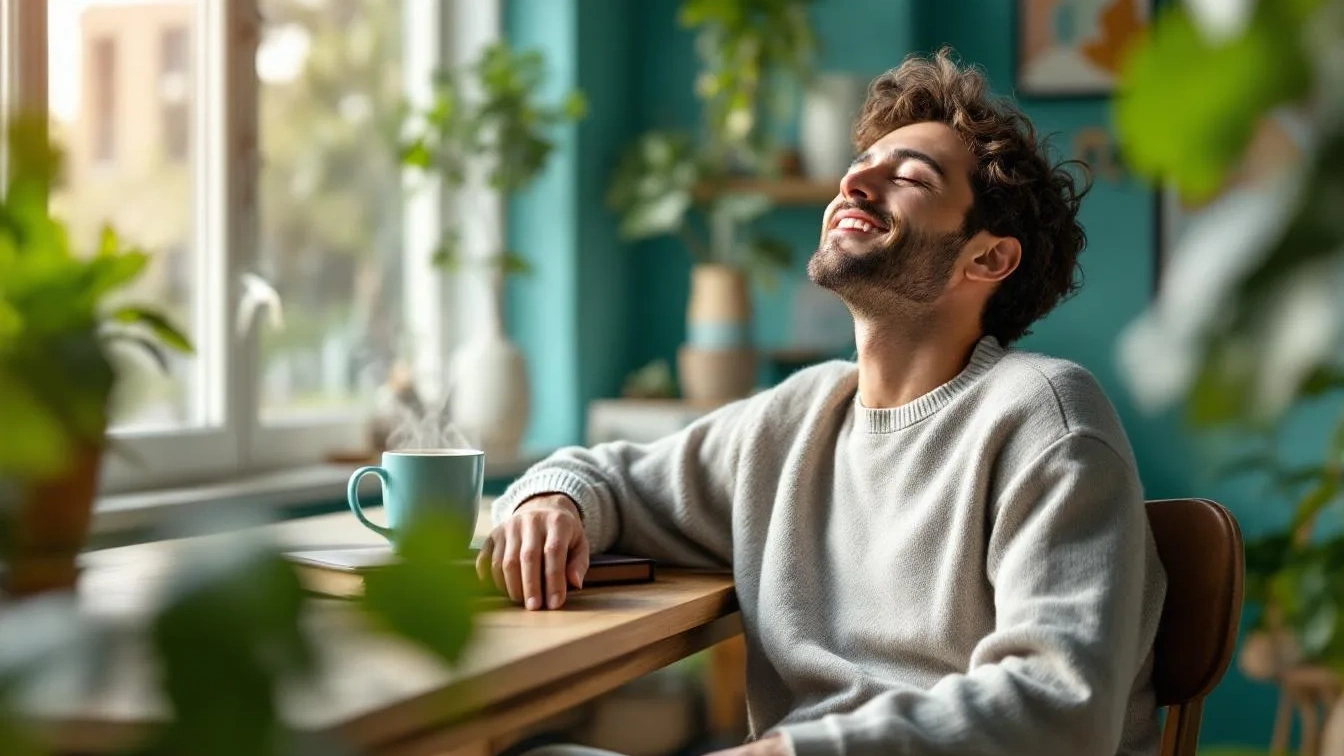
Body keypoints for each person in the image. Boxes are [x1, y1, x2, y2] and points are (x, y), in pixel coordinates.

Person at [477, 48, 1167, 756]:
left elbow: (1058, 707)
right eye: (862, 163)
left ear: (987, 258)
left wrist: (789, 752)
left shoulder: (1045, 418)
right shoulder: (797, 417)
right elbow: (611, 481)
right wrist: (551, 502)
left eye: (908, 177)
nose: (854, 180)